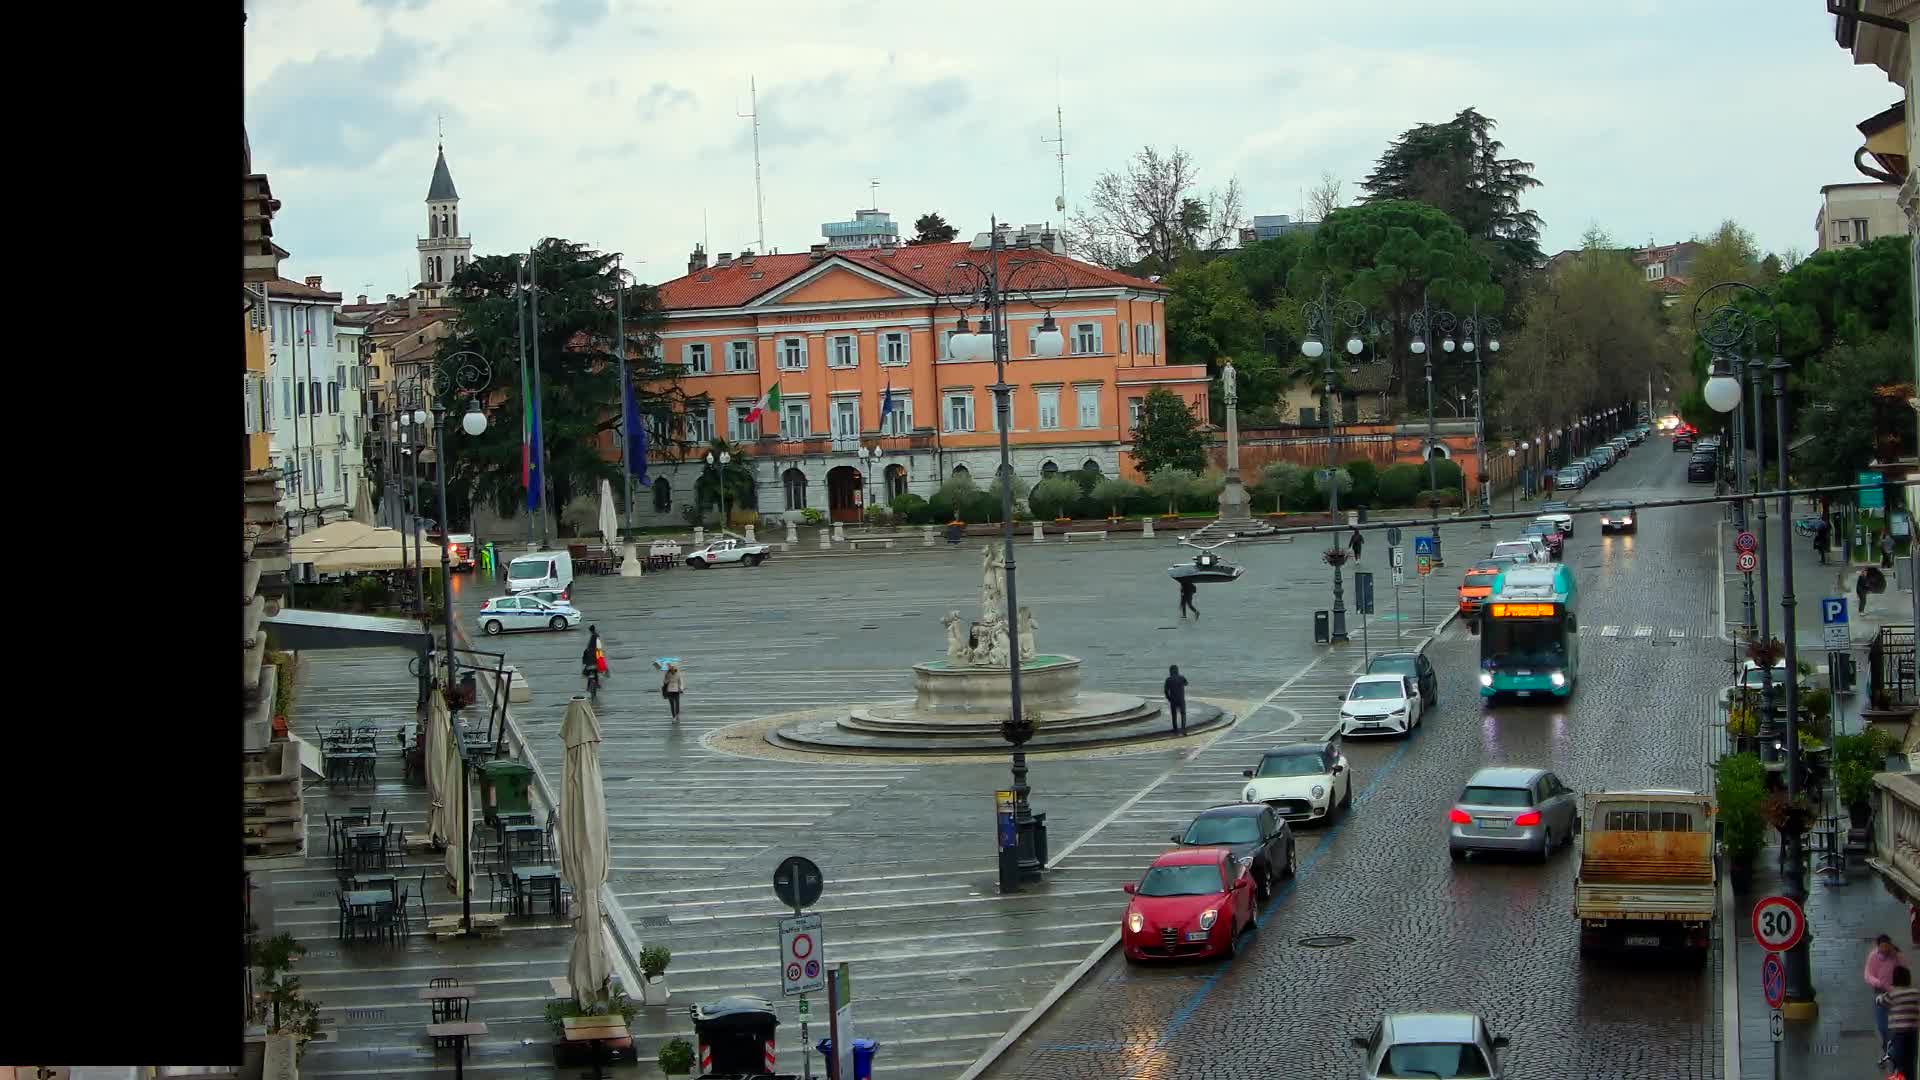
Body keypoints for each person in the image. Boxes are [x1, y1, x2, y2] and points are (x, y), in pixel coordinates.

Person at [1869, 934, 1905, 1064]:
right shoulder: (1873, 956)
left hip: (1895, 994)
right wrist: (1878, 983)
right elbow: (1868, 974)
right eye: (1882, 947)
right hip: (1880, 994)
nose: (1884, 949)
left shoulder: (1897, 955)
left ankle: (1892, 1050)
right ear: (1878, 946)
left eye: (1886, 946)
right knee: (1882, 1026)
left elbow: (1904, 971)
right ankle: (1887, 1045)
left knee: (1895, 1025)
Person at [1884, 965, 1920, 1077]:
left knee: (1898, 1060)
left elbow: (1880, 1001)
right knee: (1911, 1059)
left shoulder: (1892, 994)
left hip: (1897, 1032)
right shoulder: (1915, 993)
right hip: (1913, 1031)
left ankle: (1898, 1076)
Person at [1163, 664, 1188, 733]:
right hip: (1181, 699)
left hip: (1173, 700)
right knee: (1183, 714)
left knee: (1174, 715)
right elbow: (1186, 683)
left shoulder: (1168, 679)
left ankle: (1175, 729)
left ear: (1170, 671)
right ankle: (1183, 729)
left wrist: (1169, 698)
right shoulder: (1182, 678)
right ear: (1177, 670)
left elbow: (1165, 691)